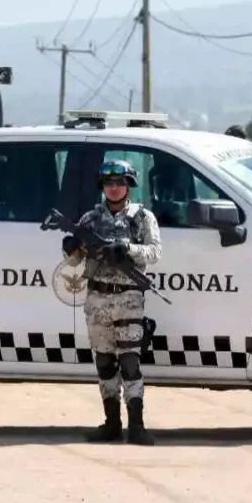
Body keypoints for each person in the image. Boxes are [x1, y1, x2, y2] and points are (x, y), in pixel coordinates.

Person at [61, 160, 162, 446]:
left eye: (120, 183)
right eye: (109, 184)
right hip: (97, 298)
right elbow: (75, 260)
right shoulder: (90, 219)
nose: (115, 188)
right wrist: (70, 248)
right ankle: (112, 424)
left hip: (129, 297)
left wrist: (127, 248)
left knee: (130, 362)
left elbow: (154, 252)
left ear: (129, 185)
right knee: (104, 362)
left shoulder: (142, 217)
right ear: (103, 187)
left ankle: (137, 426)